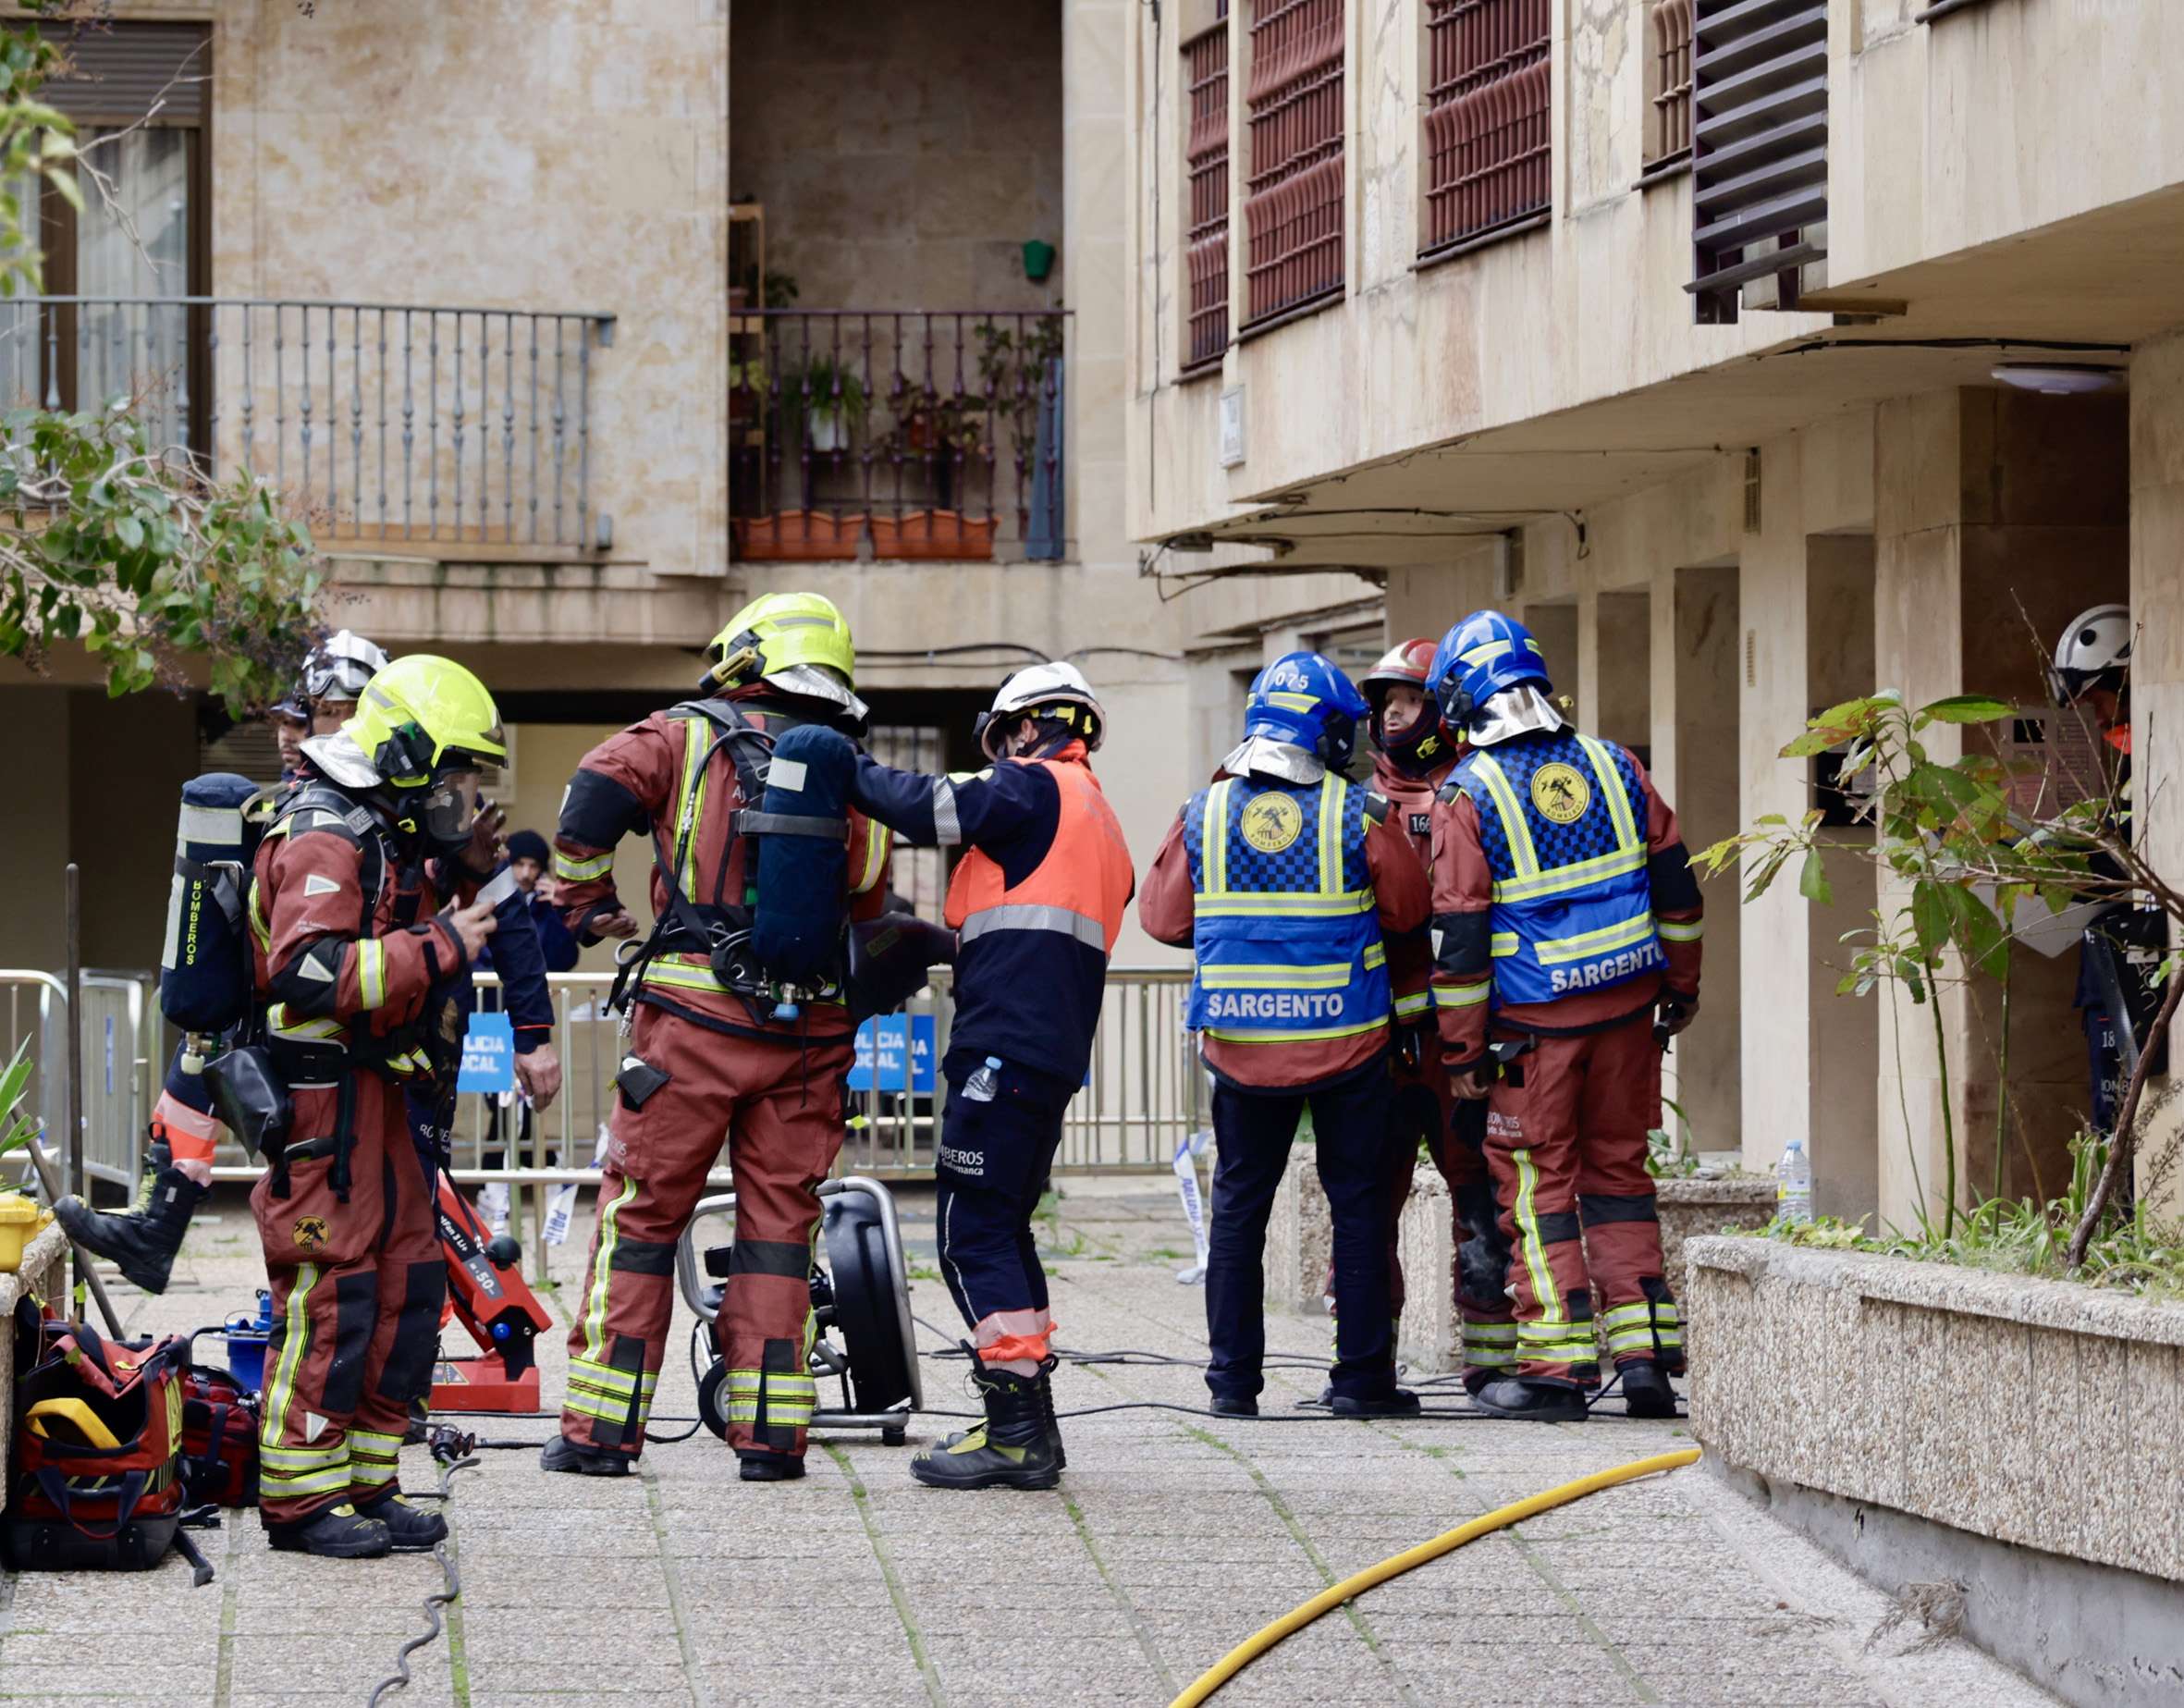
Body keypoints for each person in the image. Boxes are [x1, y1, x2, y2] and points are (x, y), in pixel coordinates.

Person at [56, 633, 562, 1291]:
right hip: (328, 1055)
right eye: (305, 715)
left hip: (402, 1047)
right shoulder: (318, 810)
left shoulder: (430, 811)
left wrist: (534, 1034)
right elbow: (303, 957)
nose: (306, 732)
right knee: (211, 1049)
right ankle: (163, 1215)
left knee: (399, 1218)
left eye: (334, 712)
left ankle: (423, 1320)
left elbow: (503, 922)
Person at [543, 592, 891, 1482]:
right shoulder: (858, 770)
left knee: (643, 1216)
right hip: (810, 1039)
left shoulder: (681, 735)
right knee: (780, 1230)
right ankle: (772, 1438)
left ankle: (600, 1432)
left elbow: (589, 797)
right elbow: (870, 913)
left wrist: (585, 901)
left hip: (690, 1029)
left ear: (746, 657)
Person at [832, 661, 1134, 1490]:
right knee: (1006, 1228)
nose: (999, 755)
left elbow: (926, 806)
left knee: (969, 1236)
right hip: (1048, 1055)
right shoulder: (1098, 819)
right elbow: (1036, 929)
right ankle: (1028, 1423)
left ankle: (1015, 1430)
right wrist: (943, 943)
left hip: (1000, 1052)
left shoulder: (1035, 786)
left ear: (1028, 727)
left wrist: (839, 763)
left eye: (1002, 739)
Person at [244, 655, 508, 1557]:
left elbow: (391, 921)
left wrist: (463, 876)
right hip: (326, 1109)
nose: (459, 792)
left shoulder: (382, 827)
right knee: (337, 1295)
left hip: (383, 1095)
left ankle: (366, 1479)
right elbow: (307, 969)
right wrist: (440, 940)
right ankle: (299, 1497)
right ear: (402, 752)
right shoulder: (322, 831)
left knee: (407, 1285)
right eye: (452, 772)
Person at [1425, 610, 1702, 1423]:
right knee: (1620, 1174)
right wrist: (1679, 989)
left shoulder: (1468, 793)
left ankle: (1557, 1366)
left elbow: (1461, 939)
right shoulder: (1619, 766)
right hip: (1628, 1010)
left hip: (1531, 1034)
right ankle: (1645, 1354)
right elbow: (1678, 894)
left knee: (1539, 1186)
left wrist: (1462, 1050)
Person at [1140, 651, 1429, 1418]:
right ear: (1332, 733)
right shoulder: (1358, 812)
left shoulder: (1203, 811)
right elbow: (1407, 910)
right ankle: (1362, 1382)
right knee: (1359, 1207)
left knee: (1240, 1208)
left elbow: (1163, 918)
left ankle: (1233, 1386)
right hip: (1350, 1046)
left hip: (1240, 1053)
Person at [1322, 639, 1515, 1395]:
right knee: (1368, 1200)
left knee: (1479, 1192)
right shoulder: (1358, 806)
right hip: (1380, 1049)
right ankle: (1367, 1358)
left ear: (1439, 708)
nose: (1389, 715)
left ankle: (1494, 1358)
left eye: (1404, 702)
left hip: (1460, 1046)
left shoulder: (1479, 790)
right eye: (1383, 704)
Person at [2046, 603, 2158, 1140]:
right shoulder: (2120, 765)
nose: (2095, 715)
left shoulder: (2153, 762)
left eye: (2097, 698)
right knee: (2111, 1116)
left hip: (2140, 963)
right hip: (2108, 965)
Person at [472, 829, 581, 1232]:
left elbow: (561, 958)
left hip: (528, 1020)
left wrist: (556, 912)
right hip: (488, 1017)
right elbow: (485, 954)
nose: (526, 873)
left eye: (534, 866)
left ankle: (503, 1183)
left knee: (521, 1108)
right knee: (499, 1106)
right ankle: (507, 1181)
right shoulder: (486, 897)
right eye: (520, 864)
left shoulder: (540, 907)